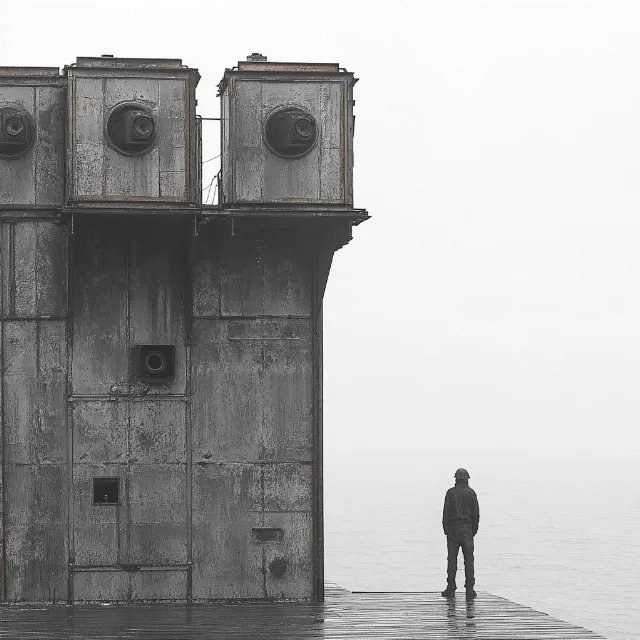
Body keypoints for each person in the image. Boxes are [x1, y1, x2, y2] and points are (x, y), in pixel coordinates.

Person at [441, 468, 479, 600]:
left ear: (456, 479)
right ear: (467, 479)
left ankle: (451, 588)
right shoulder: (471, 493)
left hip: (453, 529)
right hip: (467, 529)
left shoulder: (450, 493)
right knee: (469, 560)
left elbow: (446, 513)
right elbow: (476, 514)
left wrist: (446, 529)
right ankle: (469, 589)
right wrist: (473, 530)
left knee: (452, 560)